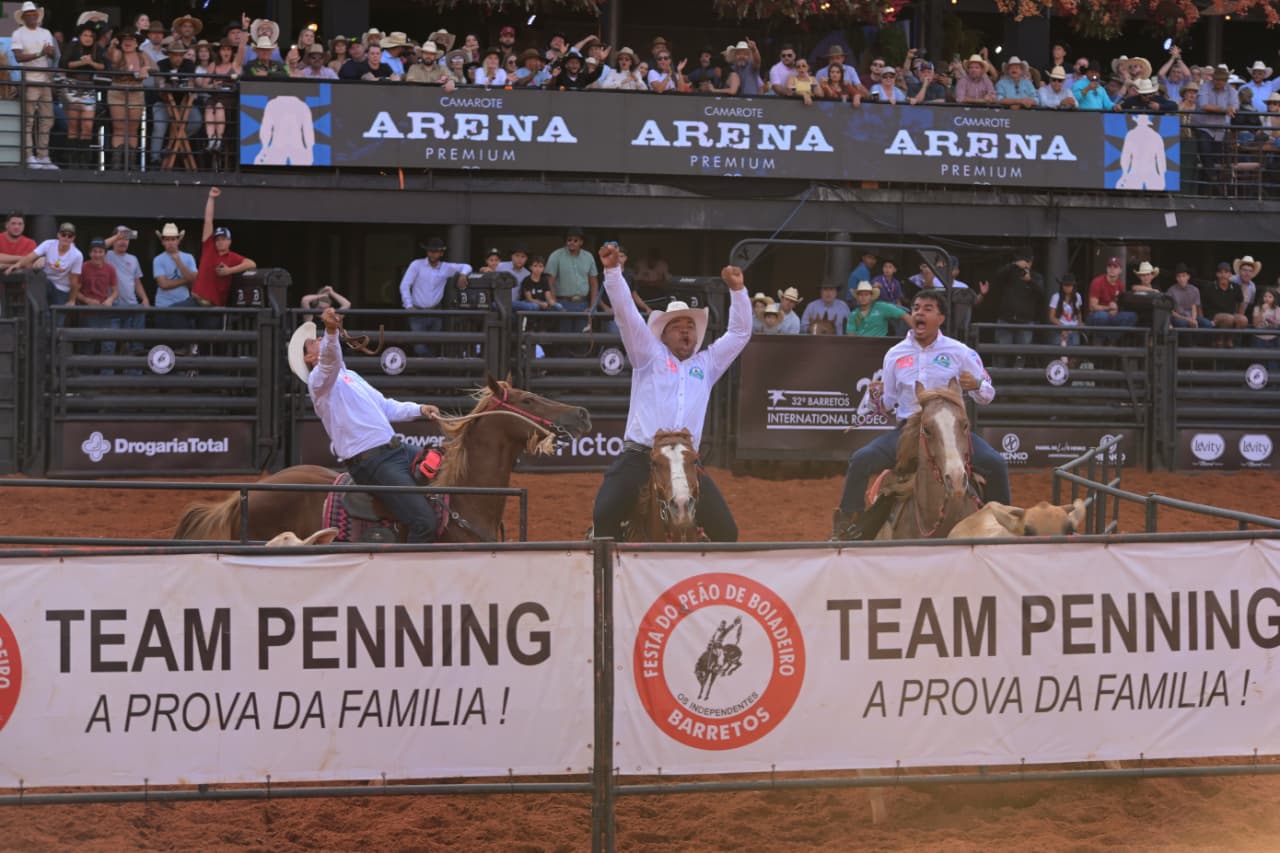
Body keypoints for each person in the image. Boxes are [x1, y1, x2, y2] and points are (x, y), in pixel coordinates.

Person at [591, 246, 751, 542]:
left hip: (688, 461)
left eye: (690, 326)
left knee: (727, 531)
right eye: (677, 327)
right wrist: (613, 273)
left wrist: (739, 292)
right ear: (663, 334)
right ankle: (602, 574)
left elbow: (740, 333)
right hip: (642, 455)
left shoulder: (707, 363)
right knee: (605, 513)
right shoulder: (648, 355)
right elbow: (626, 316)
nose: (685, 331)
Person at [832, 290, 1010, 541]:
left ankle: (1004, 525)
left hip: (950, 429)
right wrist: (876, 398)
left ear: (941, 317)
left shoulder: (960, 352)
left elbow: (988, 394)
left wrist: (977, 385)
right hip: (909, 429)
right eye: (916, 307)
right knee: (861, 459)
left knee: (995, 464)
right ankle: (845, 526)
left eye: (927, 308)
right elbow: (889, 403)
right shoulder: (895, 354)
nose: (919, 312)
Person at [289, 307, 442, 543]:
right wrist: (330, 331)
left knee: (444, 465)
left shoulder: (349, 376)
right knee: (423, 523)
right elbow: (330, 360)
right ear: (310, 359)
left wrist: (419, 408)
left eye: (320, 335)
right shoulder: (318, 381)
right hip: (372, 461)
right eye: (313, 342)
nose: (318, 338)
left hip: (393, 450)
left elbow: (386, 406)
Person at [399, 237, 472, 356]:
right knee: (419, 346)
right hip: (417, 311)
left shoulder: (446, 267)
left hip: (435, 312)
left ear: (441, 253)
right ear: (427, 252)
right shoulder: (416, 265)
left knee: (434, 344)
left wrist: (463, 275)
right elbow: (405, 285)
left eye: (436, 251)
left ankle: (426, 371)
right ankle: (430, 366)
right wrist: (409, 305)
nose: (433, 254)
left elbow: (467, 266)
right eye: (430, 251)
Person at [10, 1, 58, 169]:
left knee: (47, 119)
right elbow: (18, 57)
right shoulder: (18, 34)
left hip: (44, 79)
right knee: (29, 120)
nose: (32, 16)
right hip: (29, 80)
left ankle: (43, 156)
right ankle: (29, 156)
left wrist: (50, 52)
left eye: (34, 14)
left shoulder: (45, 32)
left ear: (38, 16)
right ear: (23, 17)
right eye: (29, 14)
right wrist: (41, 53)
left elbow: (51, 53)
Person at [6, 221, 83, 324]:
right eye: (63, 234)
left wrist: (72, 300)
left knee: (57, 322)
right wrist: (18, 264)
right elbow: (31, 256)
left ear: (73, 238)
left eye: (70, 236)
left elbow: (74, 281)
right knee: (42, 311)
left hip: (63, 289)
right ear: (58, 235)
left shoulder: (77, 255)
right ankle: (42, 320)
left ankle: (52, 335)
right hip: (46, 283)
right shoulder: (48, 244)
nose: (66, 238)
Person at [1048, 273, 1083, 348]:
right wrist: (1063, 327)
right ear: (1062, 286)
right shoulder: (1056, 297)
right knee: (1060, 354)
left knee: (1075, 354)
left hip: (1074, 329)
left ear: (1073, 286)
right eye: (1065, 285)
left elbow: (1079, 312)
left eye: (1069, 285)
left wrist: (1080, 323)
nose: (1067, 288)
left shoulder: (1078, 296)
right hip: (1060, 330)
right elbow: (1051, 317)